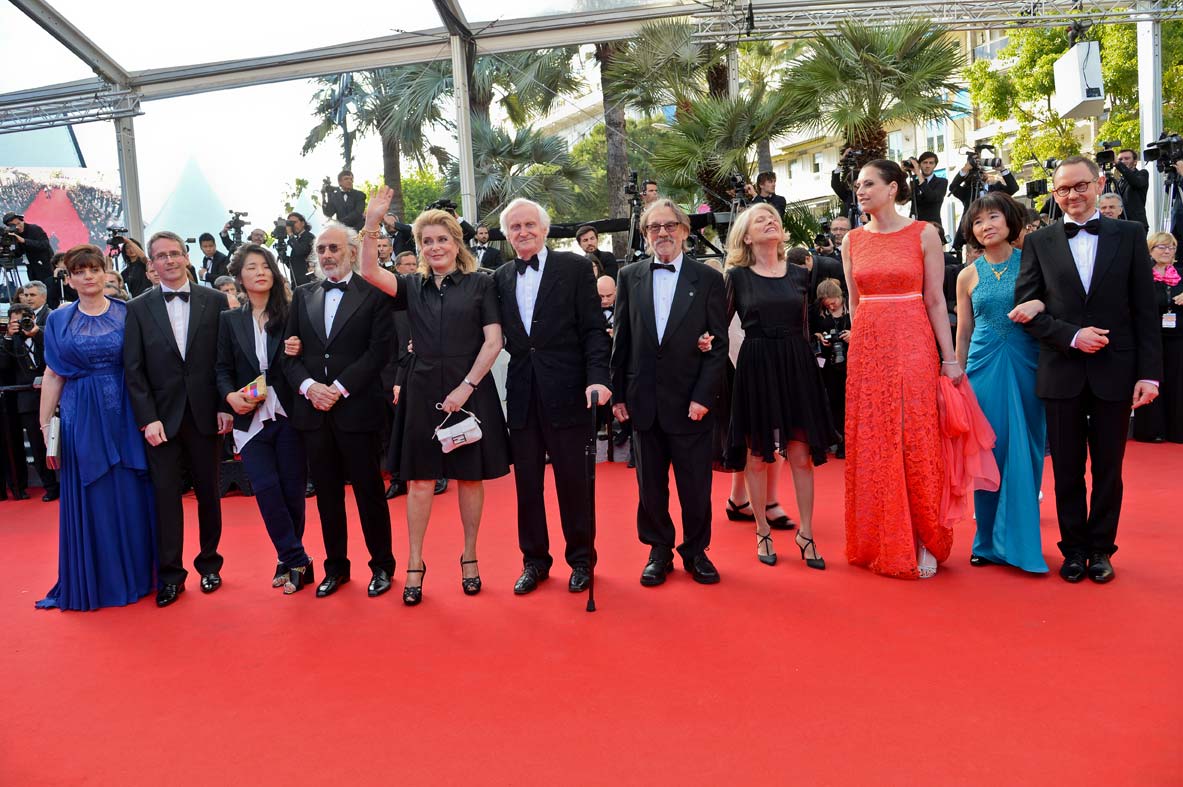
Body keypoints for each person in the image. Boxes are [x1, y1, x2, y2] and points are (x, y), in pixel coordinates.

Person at [357, 188, 510, 605]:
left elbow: (493, 341)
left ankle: (470, 556)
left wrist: (466, 386)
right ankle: (415, 562)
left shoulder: (481, 284)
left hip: (470, 388)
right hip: (422, 388)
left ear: (456, 243)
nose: (435, 246)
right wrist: (371, 223)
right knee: (420, 479)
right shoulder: (412, 286)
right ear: (420, 248)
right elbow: (369, 271)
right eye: (427, 241)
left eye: (442, 239)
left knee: (470, 477)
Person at [1014, 155, 1162, 584]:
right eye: (1063, 189)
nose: (1072, 195)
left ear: (1098, 185)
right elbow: (1026, 309)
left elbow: (1145, 310)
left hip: (1116, 370)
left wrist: (1149, 374)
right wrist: (1072, 336)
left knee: (1109, 469)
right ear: (1054, 193)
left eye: (1080, 186)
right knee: (1066, 469)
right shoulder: (1039, 242)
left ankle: (1101, 549)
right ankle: (1074, 549)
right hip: (1061, 370)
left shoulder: (1129, 234)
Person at [842, 160, 963, 580]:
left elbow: (935, 299)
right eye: (858, 185)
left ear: (893, 188)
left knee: (915, 437)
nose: (860, 190)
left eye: (868, 183)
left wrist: (949, 358)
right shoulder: (852, 240)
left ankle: (924, 536)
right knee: (876, 441)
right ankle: (884, 535)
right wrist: (859, 354)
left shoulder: (924, 233)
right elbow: (855, 304)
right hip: (868, 348)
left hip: (913, 340)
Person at [494, 198, 612, 595]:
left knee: (573, 483)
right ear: (507, 235)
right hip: (522, 394)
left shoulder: (575, 268)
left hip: (569, 391)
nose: (523, 231)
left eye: (529, 224)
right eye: (515, 227)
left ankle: (581, 560)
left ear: (544, 229)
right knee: (527, 486)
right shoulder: (500, 277)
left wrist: (598, 378)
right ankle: (534, 562)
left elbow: (594, 330)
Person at [611, 198, 727, 586]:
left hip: (690, 401)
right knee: (650, 487)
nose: (662, 233)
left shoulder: (708, 278)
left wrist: (703, 396)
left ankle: (696, 551)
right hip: (642, 400)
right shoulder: (629, 276)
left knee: (695, 486)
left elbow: (718, 344)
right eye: (654, 227)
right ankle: (658, 550)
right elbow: (622, 340)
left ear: (684, 231)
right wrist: (618, 394)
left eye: (670, 226)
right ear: (645, 234)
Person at [34, 244, 156, 610]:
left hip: (126, 412)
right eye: (79, 271)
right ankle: (97, 580)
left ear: (106, 273)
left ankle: (140, 575)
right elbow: (53, 373)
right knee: (94, 491)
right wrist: (45, 423)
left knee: (132, 492)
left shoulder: (128, 312)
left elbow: (145, 367)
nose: (88, 276)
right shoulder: (58, 320)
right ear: (69, 279)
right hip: (81, 414)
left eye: (94, 269)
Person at [283, 221, 396, 598]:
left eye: (334, 248)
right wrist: (310, 388)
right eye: (322, 249)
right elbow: (289, 353)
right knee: (327, 497)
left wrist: (339, 388)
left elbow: (380, 351)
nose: (327, 255)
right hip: (314, 412)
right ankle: (336, 568)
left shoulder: (374, 293)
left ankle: (382, 566)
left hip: (358, 409)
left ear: (351, 251)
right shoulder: (302, 295)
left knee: (369, 493)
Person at [718, 203, 831, 570]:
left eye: (773, 218)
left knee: (800, 455)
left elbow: (806, 326)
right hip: (756, 366)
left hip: (796, 365)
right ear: (747, 236)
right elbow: (718, 326)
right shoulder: (737, 277)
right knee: (756, 455)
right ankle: (762, 530)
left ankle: (807, 533)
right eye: (761, 219)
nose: (770, 221)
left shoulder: (800, 274)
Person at [123, 230, 231, 607]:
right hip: (160, 420)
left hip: (206, 413)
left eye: (174, 253)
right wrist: (147, 418)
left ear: (186, 256)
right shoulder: (137, 308)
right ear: (151, 263)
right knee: (166, 497)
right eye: (161, 256)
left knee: (209, 493)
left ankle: (210, 564)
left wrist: (224, 405)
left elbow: (225, 360)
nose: (169, 260)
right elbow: (133, 369)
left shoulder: (215, 300)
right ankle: (171, 575)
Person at [954, 193, 1049, 573]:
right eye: (978, 221)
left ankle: (1022, 542)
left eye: (993, 217)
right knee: (987, 454)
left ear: (1010, 220)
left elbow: (1055, 304)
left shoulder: (1033, 263)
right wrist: (956, 377)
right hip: (982, 369)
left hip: (1028, 364)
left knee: (1026, 449)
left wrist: (1040, 304)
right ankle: (986, 542)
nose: (986, 226)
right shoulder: (966, 274)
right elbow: (964, 331)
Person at [216, 243, 315, 594]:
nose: (260, 272)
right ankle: (297, 558)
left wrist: (301, 349)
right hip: (249, 416)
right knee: (266, 489)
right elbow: (221, 368)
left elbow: (311, 356)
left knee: (292, 490)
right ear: (239, 277)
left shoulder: (292, 313)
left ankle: (288, 560)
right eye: (251, 267)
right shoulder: (229, 320)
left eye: (265, 266)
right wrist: (229, 397)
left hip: (289, 410)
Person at [0, 304, 59, 501]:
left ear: (33, 318)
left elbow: (57, 352)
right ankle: (49, 486)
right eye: (15, 322)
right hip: (26, 402)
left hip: (54, 396)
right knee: (37, 446)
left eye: (24, 319)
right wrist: (9, 337)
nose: (21, 324)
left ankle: (65, 483)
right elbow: (3, 366)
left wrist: (36, 333)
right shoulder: (8, 342)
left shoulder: (45, 333)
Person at [1132, 232, 1183, 443]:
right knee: (1151, 378)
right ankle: (1151, 430)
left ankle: (1177, 430)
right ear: (1150, 250)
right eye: (1161, 247)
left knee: (1178, 383)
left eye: (1171, 247)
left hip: (1178, 337)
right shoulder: (1143, 275)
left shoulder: (1180, 274)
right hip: (1151, 337)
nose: (1167, 251)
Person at [809, 278, 850, 459]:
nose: (832, 307)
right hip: (829, 366)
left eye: (834, 303)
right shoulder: (817, 312)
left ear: (840, 296)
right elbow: (807, 329)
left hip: (852, 362)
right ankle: (841, 442)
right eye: (828, 305)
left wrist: (854, 334)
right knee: (834, 403)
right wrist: (818, 336)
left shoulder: (852, 306)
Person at [3, 212, 53, 286]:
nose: (17, 227)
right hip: (31, 268)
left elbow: (44, 244)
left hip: (45, 266)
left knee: (48, 288)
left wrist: (24, 240)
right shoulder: (14, 234)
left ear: (22, 221)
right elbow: (18, 253)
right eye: (13, 225)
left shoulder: (34, 229)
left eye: (18, 223)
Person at [906, 152, 949, 225]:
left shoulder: (942, 182)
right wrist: (903, 174)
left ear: (935, 165)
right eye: (925, 162)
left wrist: (918, 174)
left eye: (931, 163)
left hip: (933, 225)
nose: (928, 166)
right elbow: (902, 201)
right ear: (920, 165)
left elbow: (932, 197)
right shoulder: (914, 182)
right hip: (915, 225)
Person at [1113, 148, 1149, 229]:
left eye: (1127, 158)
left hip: (1137, 225)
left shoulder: (1142, 173)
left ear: (1135, 162)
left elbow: (1135, 182)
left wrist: (1118, 163)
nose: (1123, 161)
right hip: (1121, 224)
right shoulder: (1119, 181)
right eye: (1120, 159)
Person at [285, 212, 315, 286]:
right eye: (290, 224)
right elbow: (295, 264)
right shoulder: (297, 241)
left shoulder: (308, 236)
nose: (292, 226)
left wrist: (291, 235)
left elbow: (301, 251)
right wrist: (284, 257)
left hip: (308, 282)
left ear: (303, 223)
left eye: (294, 222)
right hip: (297, 283)